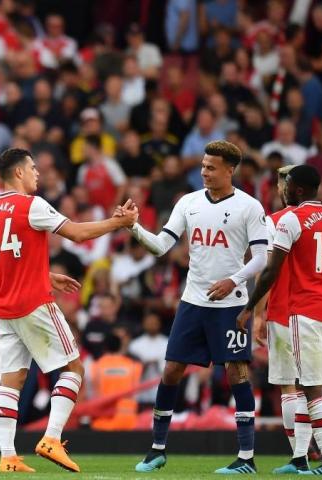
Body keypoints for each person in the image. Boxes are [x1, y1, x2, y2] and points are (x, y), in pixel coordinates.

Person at [0, 148, 136, 473]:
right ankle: (52, 438)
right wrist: (118, 222)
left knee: (10, 381)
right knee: (74, 368)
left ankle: (9, 457)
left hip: (3, 308)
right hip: (33, 304)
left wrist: (47, 274)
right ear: (18, 174)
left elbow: (0, 260)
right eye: (32, 168)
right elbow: (78, 234)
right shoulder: (32, 205)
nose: (37, 173)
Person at [127, 141, 268, 474]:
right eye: (203, 165)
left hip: (230, 304)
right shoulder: (188, 202)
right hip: (192, 301)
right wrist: (132, 227)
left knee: (236, 372)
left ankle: (246, 457)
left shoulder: (250, 207)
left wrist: (233, 281)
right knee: (172, 370)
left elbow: (262, 257)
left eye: (211, 167)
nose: (203, 172)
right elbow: (162, 245)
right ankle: (157, 450)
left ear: (229, 169)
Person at [237, 165, 322, 475]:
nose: (282, 189)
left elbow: (269, 270)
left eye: (286, 184)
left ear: (296, 189)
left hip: (302, 311)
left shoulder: (288, 220)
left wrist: (250, 308)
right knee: (318, 384)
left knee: (305, 387)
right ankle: (302, 458)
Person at [250, 164, 303, 473]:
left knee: (288, 385)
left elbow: (269, 272)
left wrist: (258, 315)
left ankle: (299, 455)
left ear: (287, 187)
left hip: (284, 311)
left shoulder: (274, 223)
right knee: (319, 383)